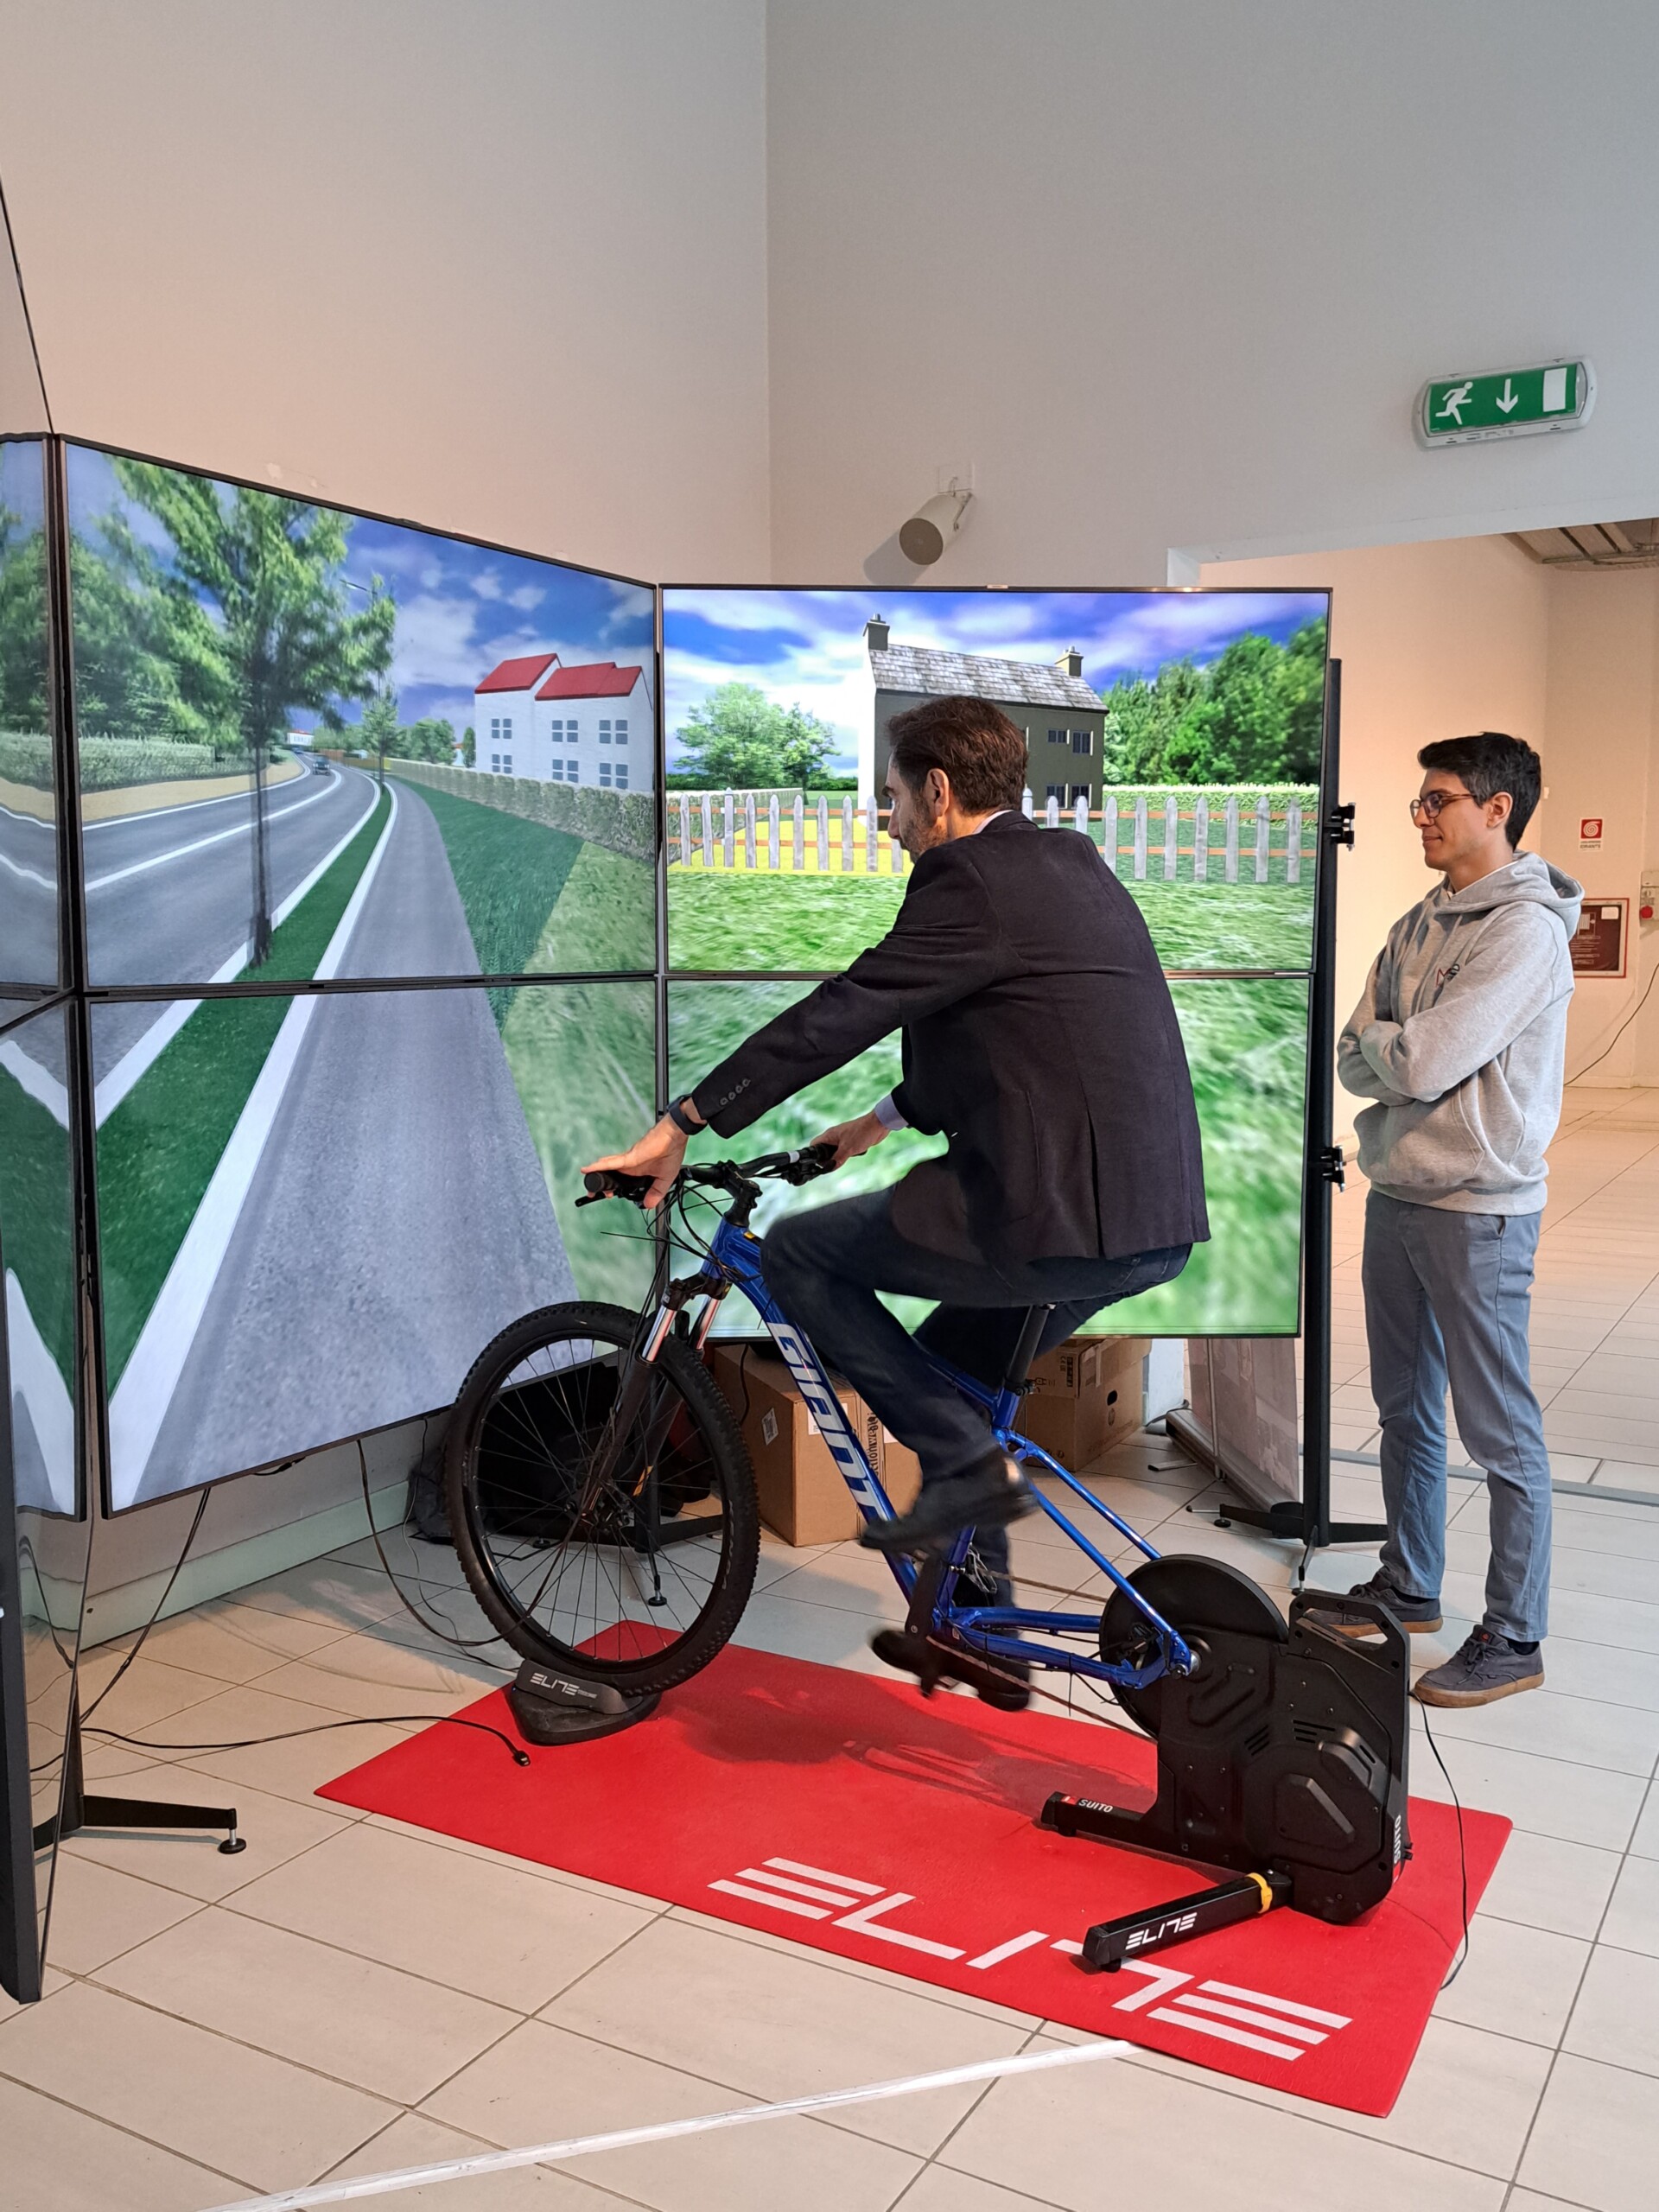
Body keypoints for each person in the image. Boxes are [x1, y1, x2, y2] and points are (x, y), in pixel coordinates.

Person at [587, 691, 1207, 1597]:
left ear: (939, 791)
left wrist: (683, 1120)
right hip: (1153, 1222)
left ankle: (967, 1471)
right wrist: (873, 1124)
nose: (890, 822)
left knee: (800, 1253)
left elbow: (845, 1009)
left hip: (1057, 1217)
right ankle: (976, 1618)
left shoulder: (969, 880)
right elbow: (1016, 1045)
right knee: (949, 1379)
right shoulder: (1067, 863)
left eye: (893, 798)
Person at [1325, 732, 1581, 1707]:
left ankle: (1516, 1634)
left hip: (1480, 1210)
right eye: (1421, 802)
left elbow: (1421, 1059)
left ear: (1497, 808)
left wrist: (1393, 1047)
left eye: (1439, 800)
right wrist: (1395, 1048)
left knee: (1499, 1430)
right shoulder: (1417, 920)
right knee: (1404, 1409)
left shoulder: (1525, 931)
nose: (1422, 817)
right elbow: (1352, 1053)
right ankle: (1410, 1583)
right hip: (1398, 1195)